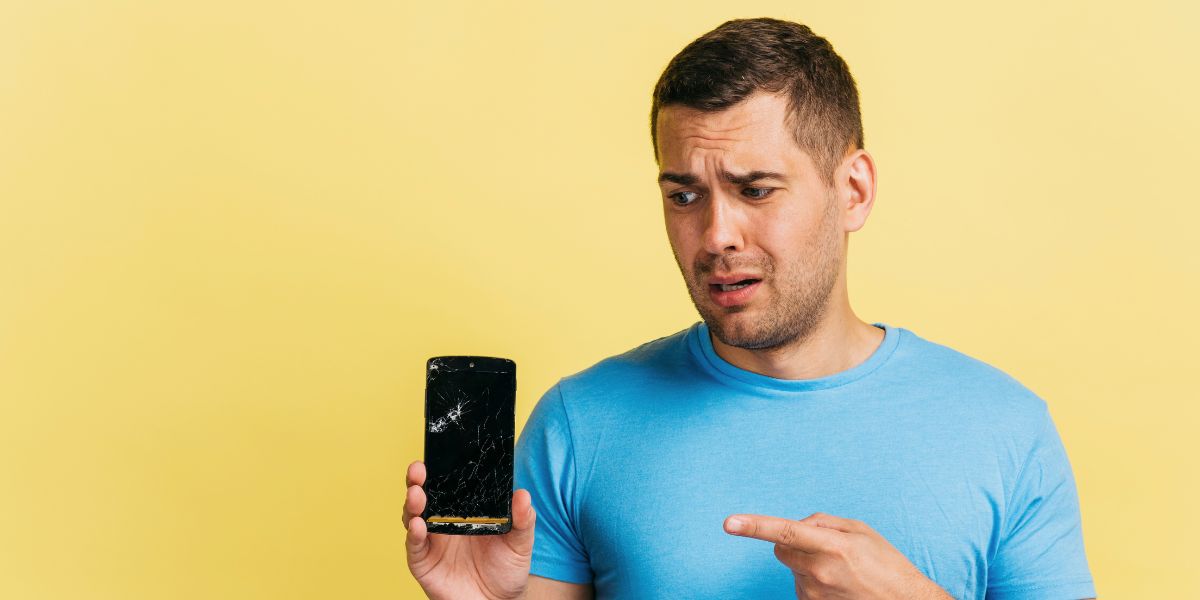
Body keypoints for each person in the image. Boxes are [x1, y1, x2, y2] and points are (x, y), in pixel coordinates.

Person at [404, 17, 1097, 600]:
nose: (716, 235)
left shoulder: (1006, 430)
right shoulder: (579, 426)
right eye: (683, 196)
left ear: (852, 190)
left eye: (756, 190)